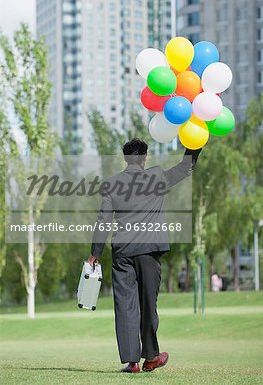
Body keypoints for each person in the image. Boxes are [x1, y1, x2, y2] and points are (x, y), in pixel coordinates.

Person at [88, 138, 202, 373]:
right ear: (145, 157)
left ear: (125, 158)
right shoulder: (156, 177)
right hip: (149, 251)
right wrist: (196, 143)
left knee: (125, 306)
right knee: (149, 305)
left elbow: (103, 221)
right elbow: (185, 167)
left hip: (122, 253)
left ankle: (133, 363)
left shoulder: (112, 184)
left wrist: (94, 254)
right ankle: (151, 357)